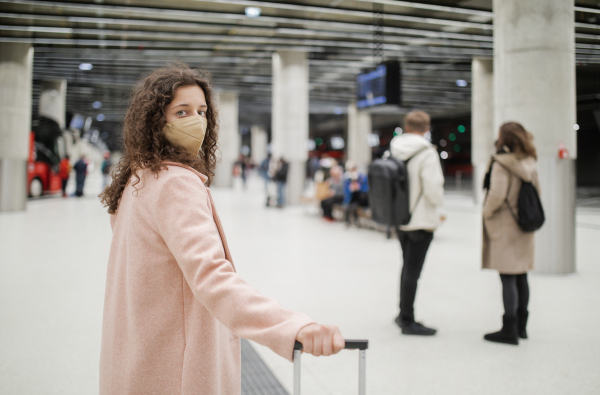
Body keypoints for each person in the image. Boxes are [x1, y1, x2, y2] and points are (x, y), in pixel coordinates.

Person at [97, 64, 344, 394]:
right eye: (182, 111)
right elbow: (212, 277)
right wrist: (289, 325)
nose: (196, 120)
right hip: (176, 366)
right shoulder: (176, 184)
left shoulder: (138, 179)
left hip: (139, 357)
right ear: (157, 120)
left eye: (201, 111)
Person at [482, 122, 540, 345]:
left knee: (507, 276)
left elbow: (496, 194)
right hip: (524, 225)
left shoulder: (501, 162)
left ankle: (509, 329)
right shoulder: (530, 161)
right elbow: (538, 192)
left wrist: (487, 214)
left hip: (505, 226)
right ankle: (522, 328)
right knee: (521, 274)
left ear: (504, 138)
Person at [390, 110, 444, 336]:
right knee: (413, 271)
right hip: (421, 220)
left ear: (407, 127)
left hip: (401, 219)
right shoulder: (427, 153)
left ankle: (402, 312)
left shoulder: (394, 148)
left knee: (406, 267)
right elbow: (433, 190)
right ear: (427, 129)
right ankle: (408, 320)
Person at [342, 160, 369, 225]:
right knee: (348, 207)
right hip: (352, 198)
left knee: (355, 206)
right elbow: (346, 192)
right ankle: (348, 221)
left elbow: (367, 188)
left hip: (361, 198)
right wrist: (350, 189)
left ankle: (356, 221)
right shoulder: (347, 178)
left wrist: (359, 188)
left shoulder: (362, 177)